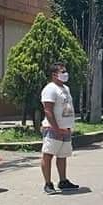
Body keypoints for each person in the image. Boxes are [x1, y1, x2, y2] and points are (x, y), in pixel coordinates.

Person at [40, 63, 80, 194]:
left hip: (66, 128)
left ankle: (63, 181)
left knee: (62, 156)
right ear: (54, 74)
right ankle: (48, 183)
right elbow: (48, 110)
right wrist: (55, 128)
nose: (65, 74)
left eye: (65, 71)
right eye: (62, 72)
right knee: (48, 155)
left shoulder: (65, 89)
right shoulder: (50, 89)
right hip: (53, 129)